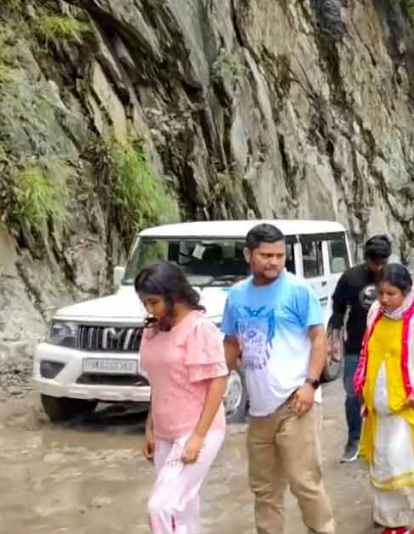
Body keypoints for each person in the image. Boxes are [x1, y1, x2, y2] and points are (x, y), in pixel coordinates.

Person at [222, 223, 334, 534]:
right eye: (266, 255)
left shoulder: (298, 290)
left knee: (304, 481)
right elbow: (231, 342)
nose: (273, 262)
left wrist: (311, 384)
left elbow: (319, 337)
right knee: (264, 488)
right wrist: (218, 384)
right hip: (258, 409)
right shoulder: (236, 295)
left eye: (279, 255)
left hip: (295, 401)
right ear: (249, 255)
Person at [353, 264, 414, 534]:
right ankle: (394, 522)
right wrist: (360, 381)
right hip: (378, 406)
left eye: (391, 294)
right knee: (382, 463)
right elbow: (366, 349)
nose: (384, 300)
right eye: (380, 293)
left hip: (410, 407)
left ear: (407, 291)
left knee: (403, 460)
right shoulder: (375, 312)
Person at [136, 263, 228, 534]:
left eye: (153, 301)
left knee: (161, 507)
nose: (149, 310)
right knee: (185, 506)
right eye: (144, 303)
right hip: (165, 431)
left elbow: (217, 381)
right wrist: (150, 428)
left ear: (173, 295)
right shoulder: (153, 330)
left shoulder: (200, 329)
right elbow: (159, 383)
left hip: (197, 429)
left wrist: (198, 437)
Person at [328, 234, 392, 463]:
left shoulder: (393, 276)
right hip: (355, 344)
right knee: (353, 395)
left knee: (385, 394)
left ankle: (381, 442)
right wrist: (334, 338)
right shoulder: (351, 277)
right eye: (375, 262)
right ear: (366, 259)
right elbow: (337, 310)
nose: (379, 267)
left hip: (387, 346)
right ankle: (353, 439)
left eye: (382, 262)